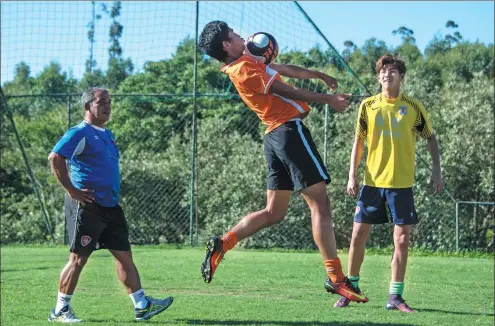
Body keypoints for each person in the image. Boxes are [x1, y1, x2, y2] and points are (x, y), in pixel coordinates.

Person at [197, 20, 368, 304]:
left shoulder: (245, 61)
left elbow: (283, 68)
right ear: (226, 45)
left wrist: (319, 75)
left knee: (273, 212)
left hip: (274, 137)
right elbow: (286, 91)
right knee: (320, 205)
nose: (241, 36)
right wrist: (329, 100)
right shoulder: (244, 69)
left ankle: (223, 243)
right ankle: (337, 279)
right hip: (289, 132)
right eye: (234, 35)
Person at [47, 88, 173, 323]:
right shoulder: (79, 133)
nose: (107, 105)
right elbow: (55, 157)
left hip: (110, 206)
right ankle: (60, 310)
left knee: (124, 256)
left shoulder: (107, 134)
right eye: (101, 101)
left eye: (109, 101)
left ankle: (141, 306)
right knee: (78, 259)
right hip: (87, 206)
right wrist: (72, 191)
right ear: (87, 106)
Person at [333, 54, 443, 312]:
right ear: (378, 76)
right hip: (371, 183)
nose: (387, 75)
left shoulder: (413, 108)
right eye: (383, 71)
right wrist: (352, 174)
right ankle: (352, 289)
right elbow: (358, 143)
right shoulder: (368, 106)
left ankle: (395, 297)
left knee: (402, 240)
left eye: (392, 71)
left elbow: (431, 138)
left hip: (402, 184)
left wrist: (436, 171)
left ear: (401, 76)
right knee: (358, 235)